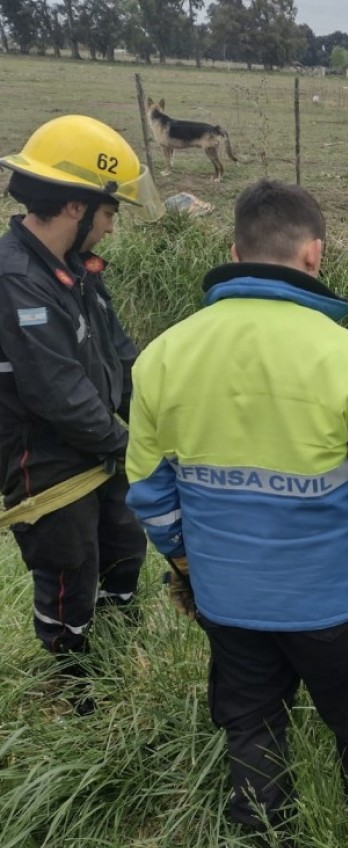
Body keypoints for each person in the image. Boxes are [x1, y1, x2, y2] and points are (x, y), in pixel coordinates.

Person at [125, 179, 348, 839]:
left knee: (251, 725)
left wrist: (185, 566)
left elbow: (151, 494)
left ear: (234, 250)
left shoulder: (161, 359)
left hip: (227, 602)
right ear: (314, 255)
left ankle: (262, 837)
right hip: (338, 607)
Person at [0, 115, 162, 711]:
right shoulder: (16, 280)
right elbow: (56, 391)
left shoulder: (79, 272)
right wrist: (131, 445)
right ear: (76, 206)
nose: (113, 228)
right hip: (46, 460)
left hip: (101, 446)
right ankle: (74, 691)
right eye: (110, 212)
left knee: (124, 547)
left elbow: (118, 356)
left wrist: (158, 409)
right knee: (71, 569)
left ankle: (120, 658)